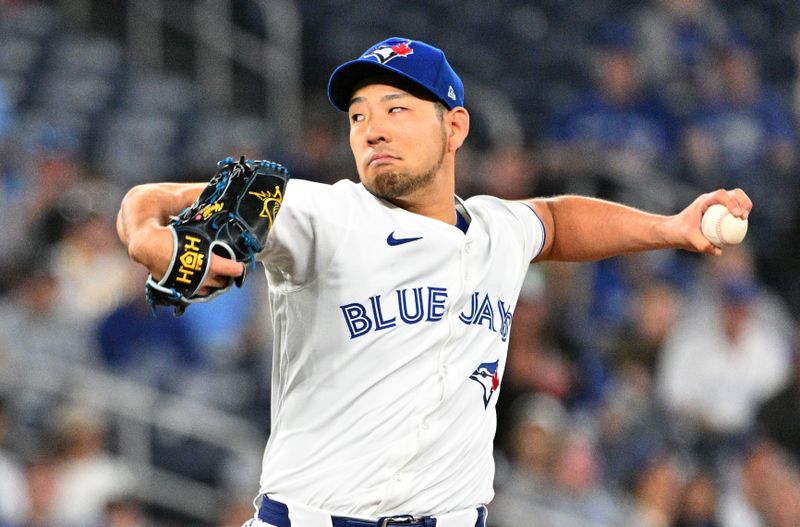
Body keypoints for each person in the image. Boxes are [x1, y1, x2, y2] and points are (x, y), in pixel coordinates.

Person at [115, 37, 752, 527]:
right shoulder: (323, 213)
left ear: (454, 127)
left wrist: (671, 228)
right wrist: (152, 240)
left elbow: (556, 222)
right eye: (359, 116)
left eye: (397, 108)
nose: (373, 129)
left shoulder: (498, 231)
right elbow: (152, 199)